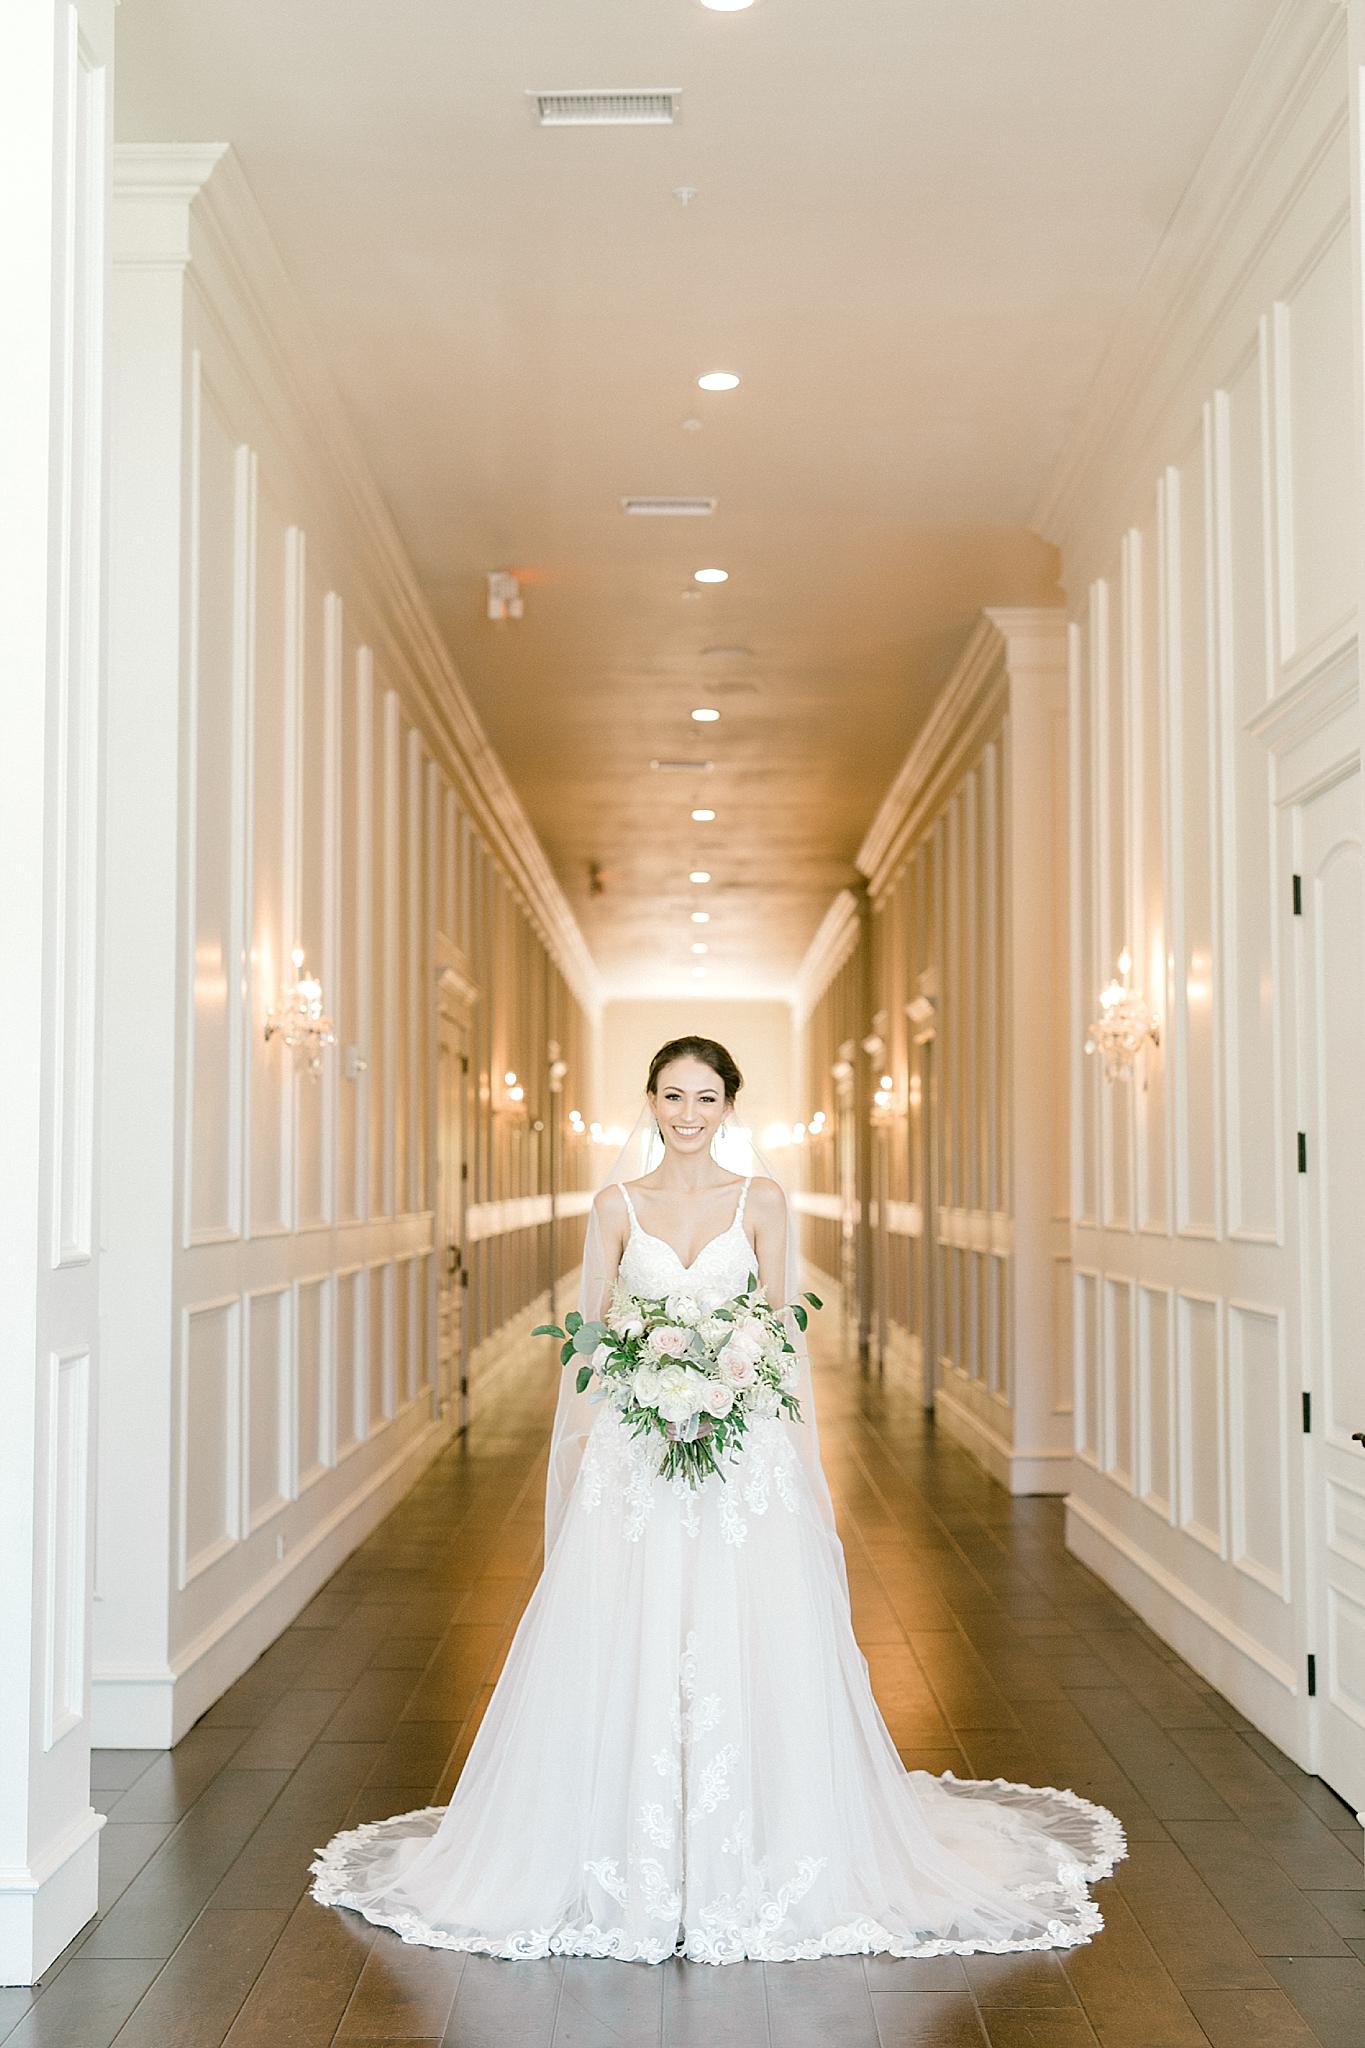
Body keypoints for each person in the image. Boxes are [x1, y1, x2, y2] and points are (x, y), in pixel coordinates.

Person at [309, 1035, 1125, 1963]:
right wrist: (602, 1439)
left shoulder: (762, 1202)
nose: (687, 1114)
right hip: (637, 1451)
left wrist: (759, 1425)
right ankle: (620, 1847)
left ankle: (764, 1846)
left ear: (729, 1105)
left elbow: (778, 1339)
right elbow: (590, 1335)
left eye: (704, 1097)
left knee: (751, 1631)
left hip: (741, 1458)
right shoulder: (616, 1204)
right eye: (671, 1095)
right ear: (648, 1101)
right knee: (632, 1627)